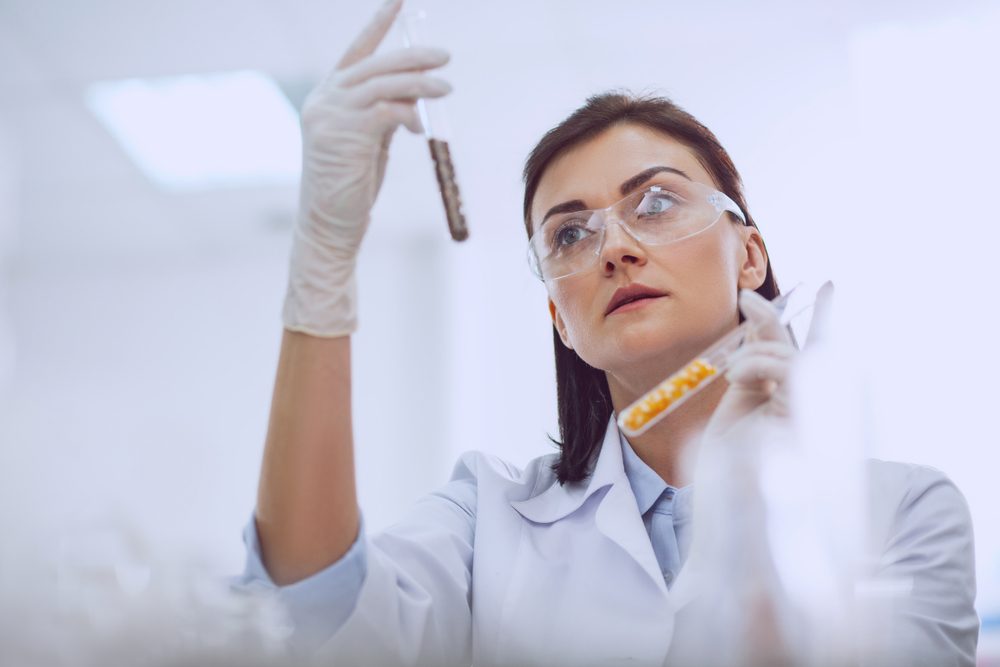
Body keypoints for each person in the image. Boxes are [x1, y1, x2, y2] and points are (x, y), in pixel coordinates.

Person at [239, 1, 979, 664]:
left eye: (656, 202)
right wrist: (323, 262)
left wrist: (759, 505)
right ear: (560, 320)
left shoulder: (906, 512)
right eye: (569, 235)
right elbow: (313, 617)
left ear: (750, 255)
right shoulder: (485, 519)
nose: (615, 249)